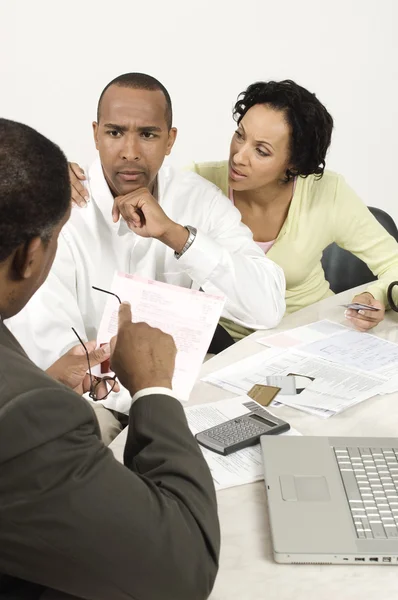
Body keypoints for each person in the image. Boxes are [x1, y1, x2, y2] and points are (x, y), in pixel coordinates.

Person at [0, 118, 219, 600]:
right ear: (31, 255)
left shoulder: (30, 400)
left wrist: (42, 384)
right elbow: (182, 571)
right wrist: (155, 389)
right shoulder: (29, 416)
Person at [7, 72, 286, 437]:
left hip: (179, 396)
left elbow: (266, 308)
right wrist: (156, 396)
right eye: (114, 132)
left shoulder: (197, 201)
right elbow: (61, 359)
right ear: (95, 134)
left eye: (148, 134)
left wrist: (178, 236)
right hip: (94, 405)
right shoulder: (61, 211)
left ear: (170, 140)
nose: (130, 151)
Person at [71, 79, 398, 340]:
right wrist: (60, 172)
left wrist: (377, 295)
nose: (239, 156)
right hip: (229, 346)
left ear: (295, 163)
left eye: (262, 150)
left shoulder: (327, 192)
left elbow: (394, 264)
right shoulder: (199, 184)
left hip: (317, 330)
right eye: (239, 136)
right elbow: (136, 187)